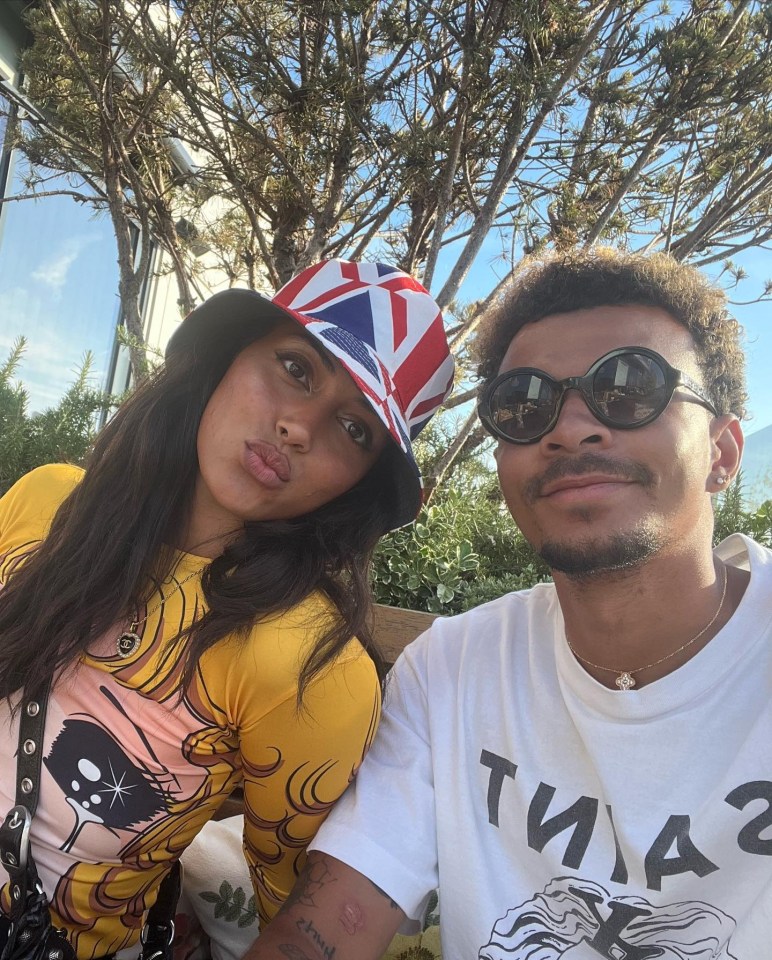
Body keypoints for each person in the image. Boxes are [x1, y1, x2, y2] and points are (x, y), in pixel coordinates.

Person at [246, 248, 772, 960]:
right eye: (523, 404)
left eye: (628, 387)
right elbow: (327, 929)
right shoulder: (454, 670)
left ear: (722, 450)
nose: (571, 428)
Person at [0, 259, 455, 960]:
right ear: (224, 357)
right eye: (296, 368)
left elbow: (297, 912)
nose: (298, 427)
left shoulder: (308, 664)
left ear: (361, 484)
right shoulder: (46, 501)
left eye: (354, 429)